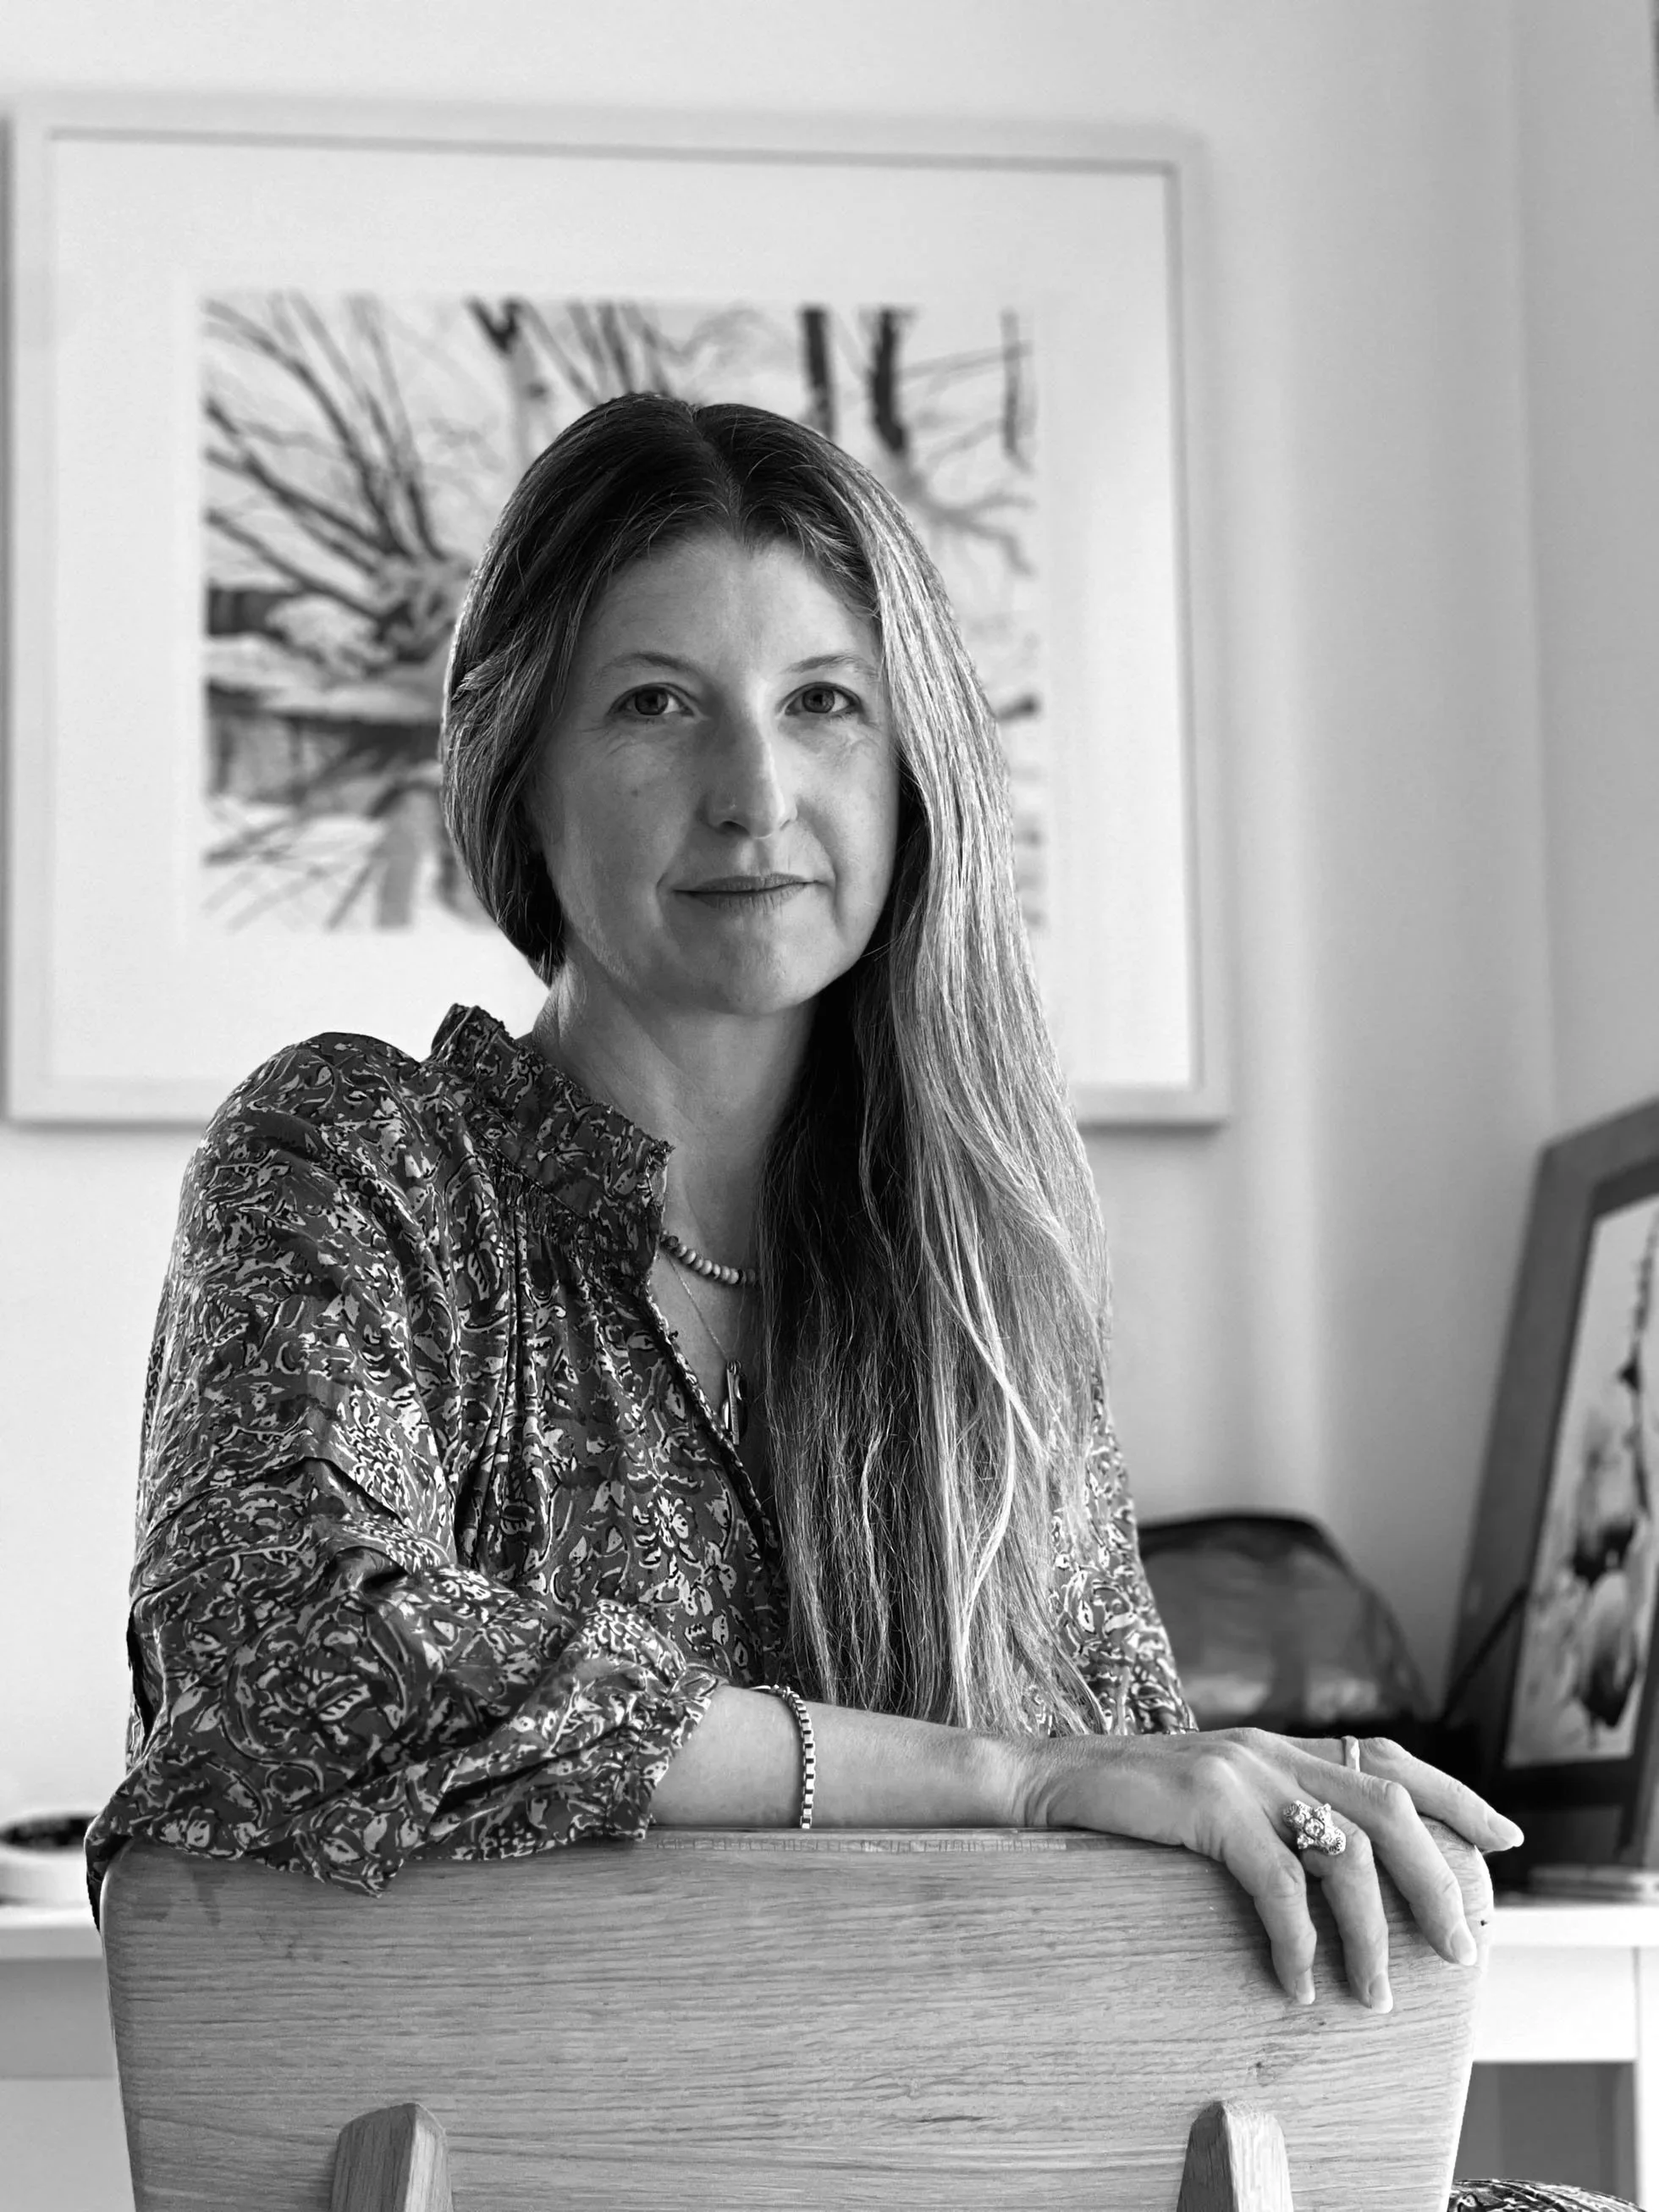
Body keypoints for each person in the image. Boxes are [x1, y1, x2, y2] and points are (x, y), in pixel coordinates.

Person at [87, 395, 1629, 2210]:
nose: (756, 790)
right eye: (655, 703)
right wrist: (998, 1783)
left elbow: (1146, 1812)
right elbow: (283, 1658)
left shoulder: (986, 1285)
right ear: (519, 771)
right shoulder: (360, 1159)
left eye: (823, 699)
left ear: (912, 770)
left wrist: (1288, 1819)